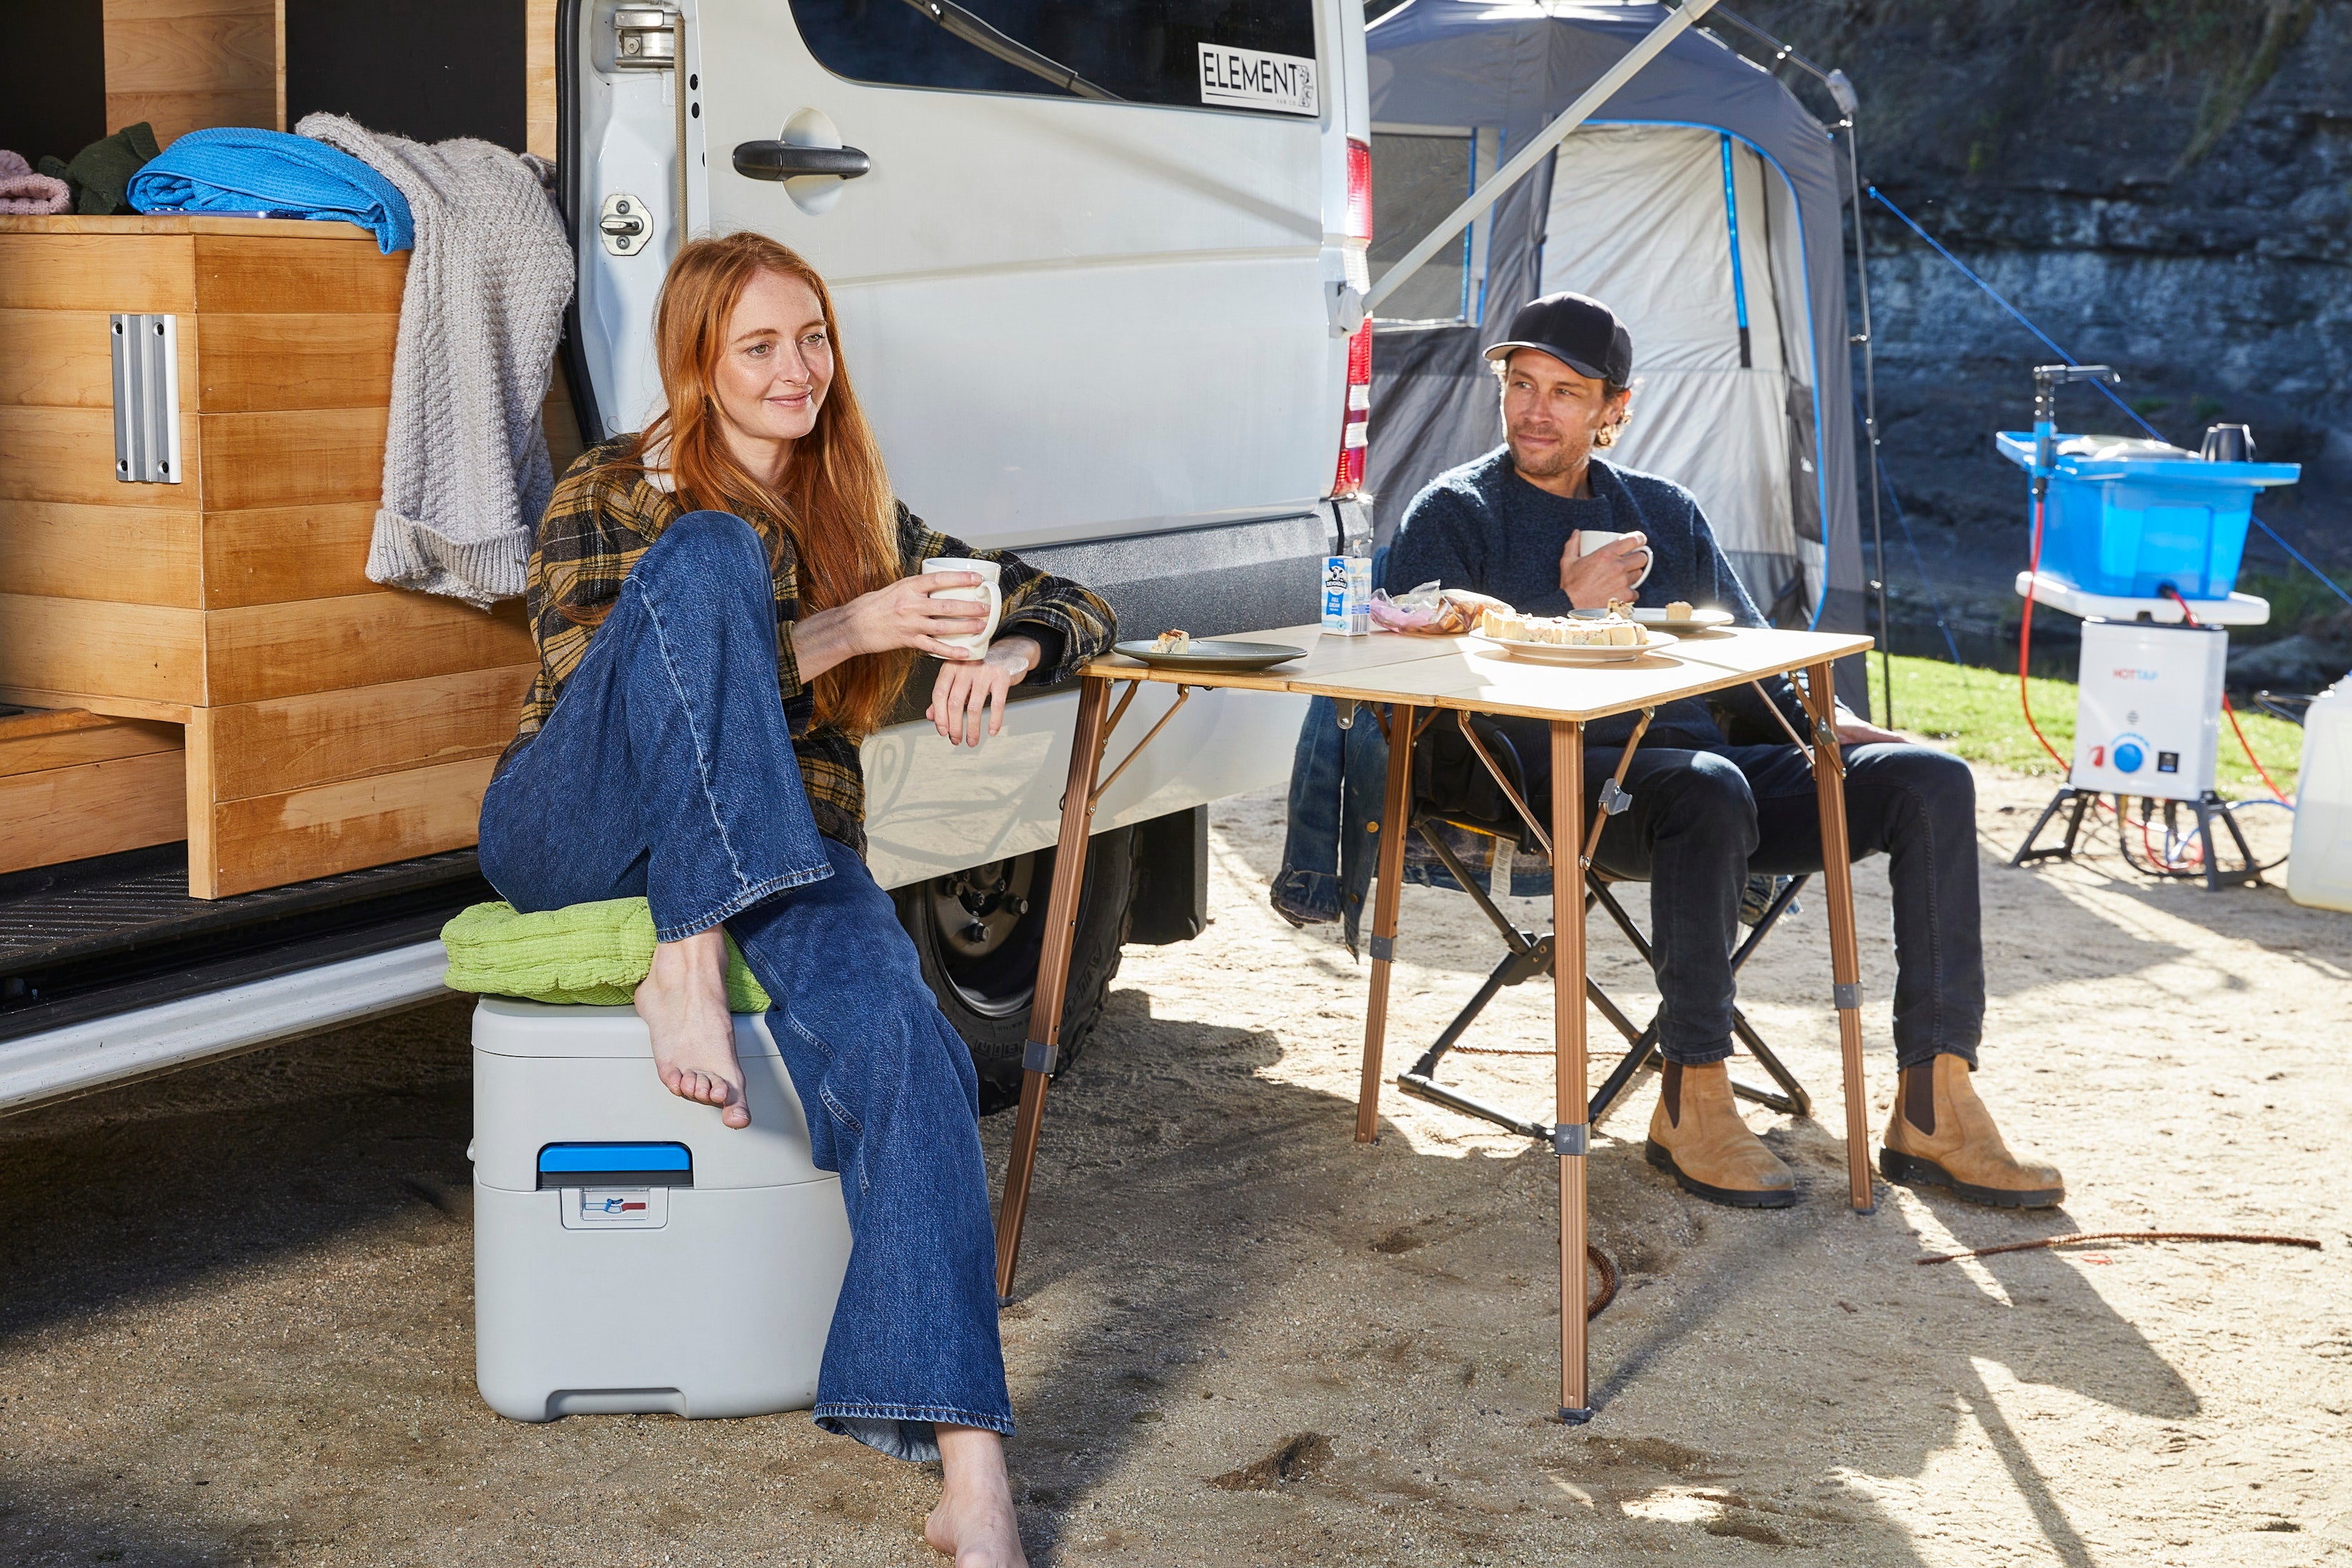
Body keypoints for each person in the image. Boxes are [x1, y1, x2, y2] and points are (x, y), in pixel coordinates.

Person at [478, 231, 1114, 1568]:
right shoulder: (617, 489)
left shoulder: (858, 513)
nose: (796, 369)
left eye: (812, 337)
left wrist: (1002, 643)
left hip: (786, 846)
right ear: (699, 364)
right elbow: (644, 710)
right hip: (576, 824)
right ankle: (686, 958)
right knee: (708, 558)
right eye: (759, 345)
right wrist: (854, 629)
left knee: (913, 1051)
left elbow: (1080, 601)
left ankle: (973, 1480)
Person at [1386, 291, 2063, 1212]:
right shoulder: (1457, 512)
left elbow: (1751, 670)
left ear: (1615, 410)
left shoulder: (1665, 512)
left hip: (1702, 769)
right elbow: (1419, 682)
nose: (1534, 410)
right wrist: (1572, 617)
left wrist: (1828, 725)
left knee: (1926, 781)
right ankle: (1693, 1098)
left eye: (1566, 392)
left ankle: (1935, 1102)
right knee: (1707, 790)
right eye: (1521, 385)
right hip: (1535, 773)